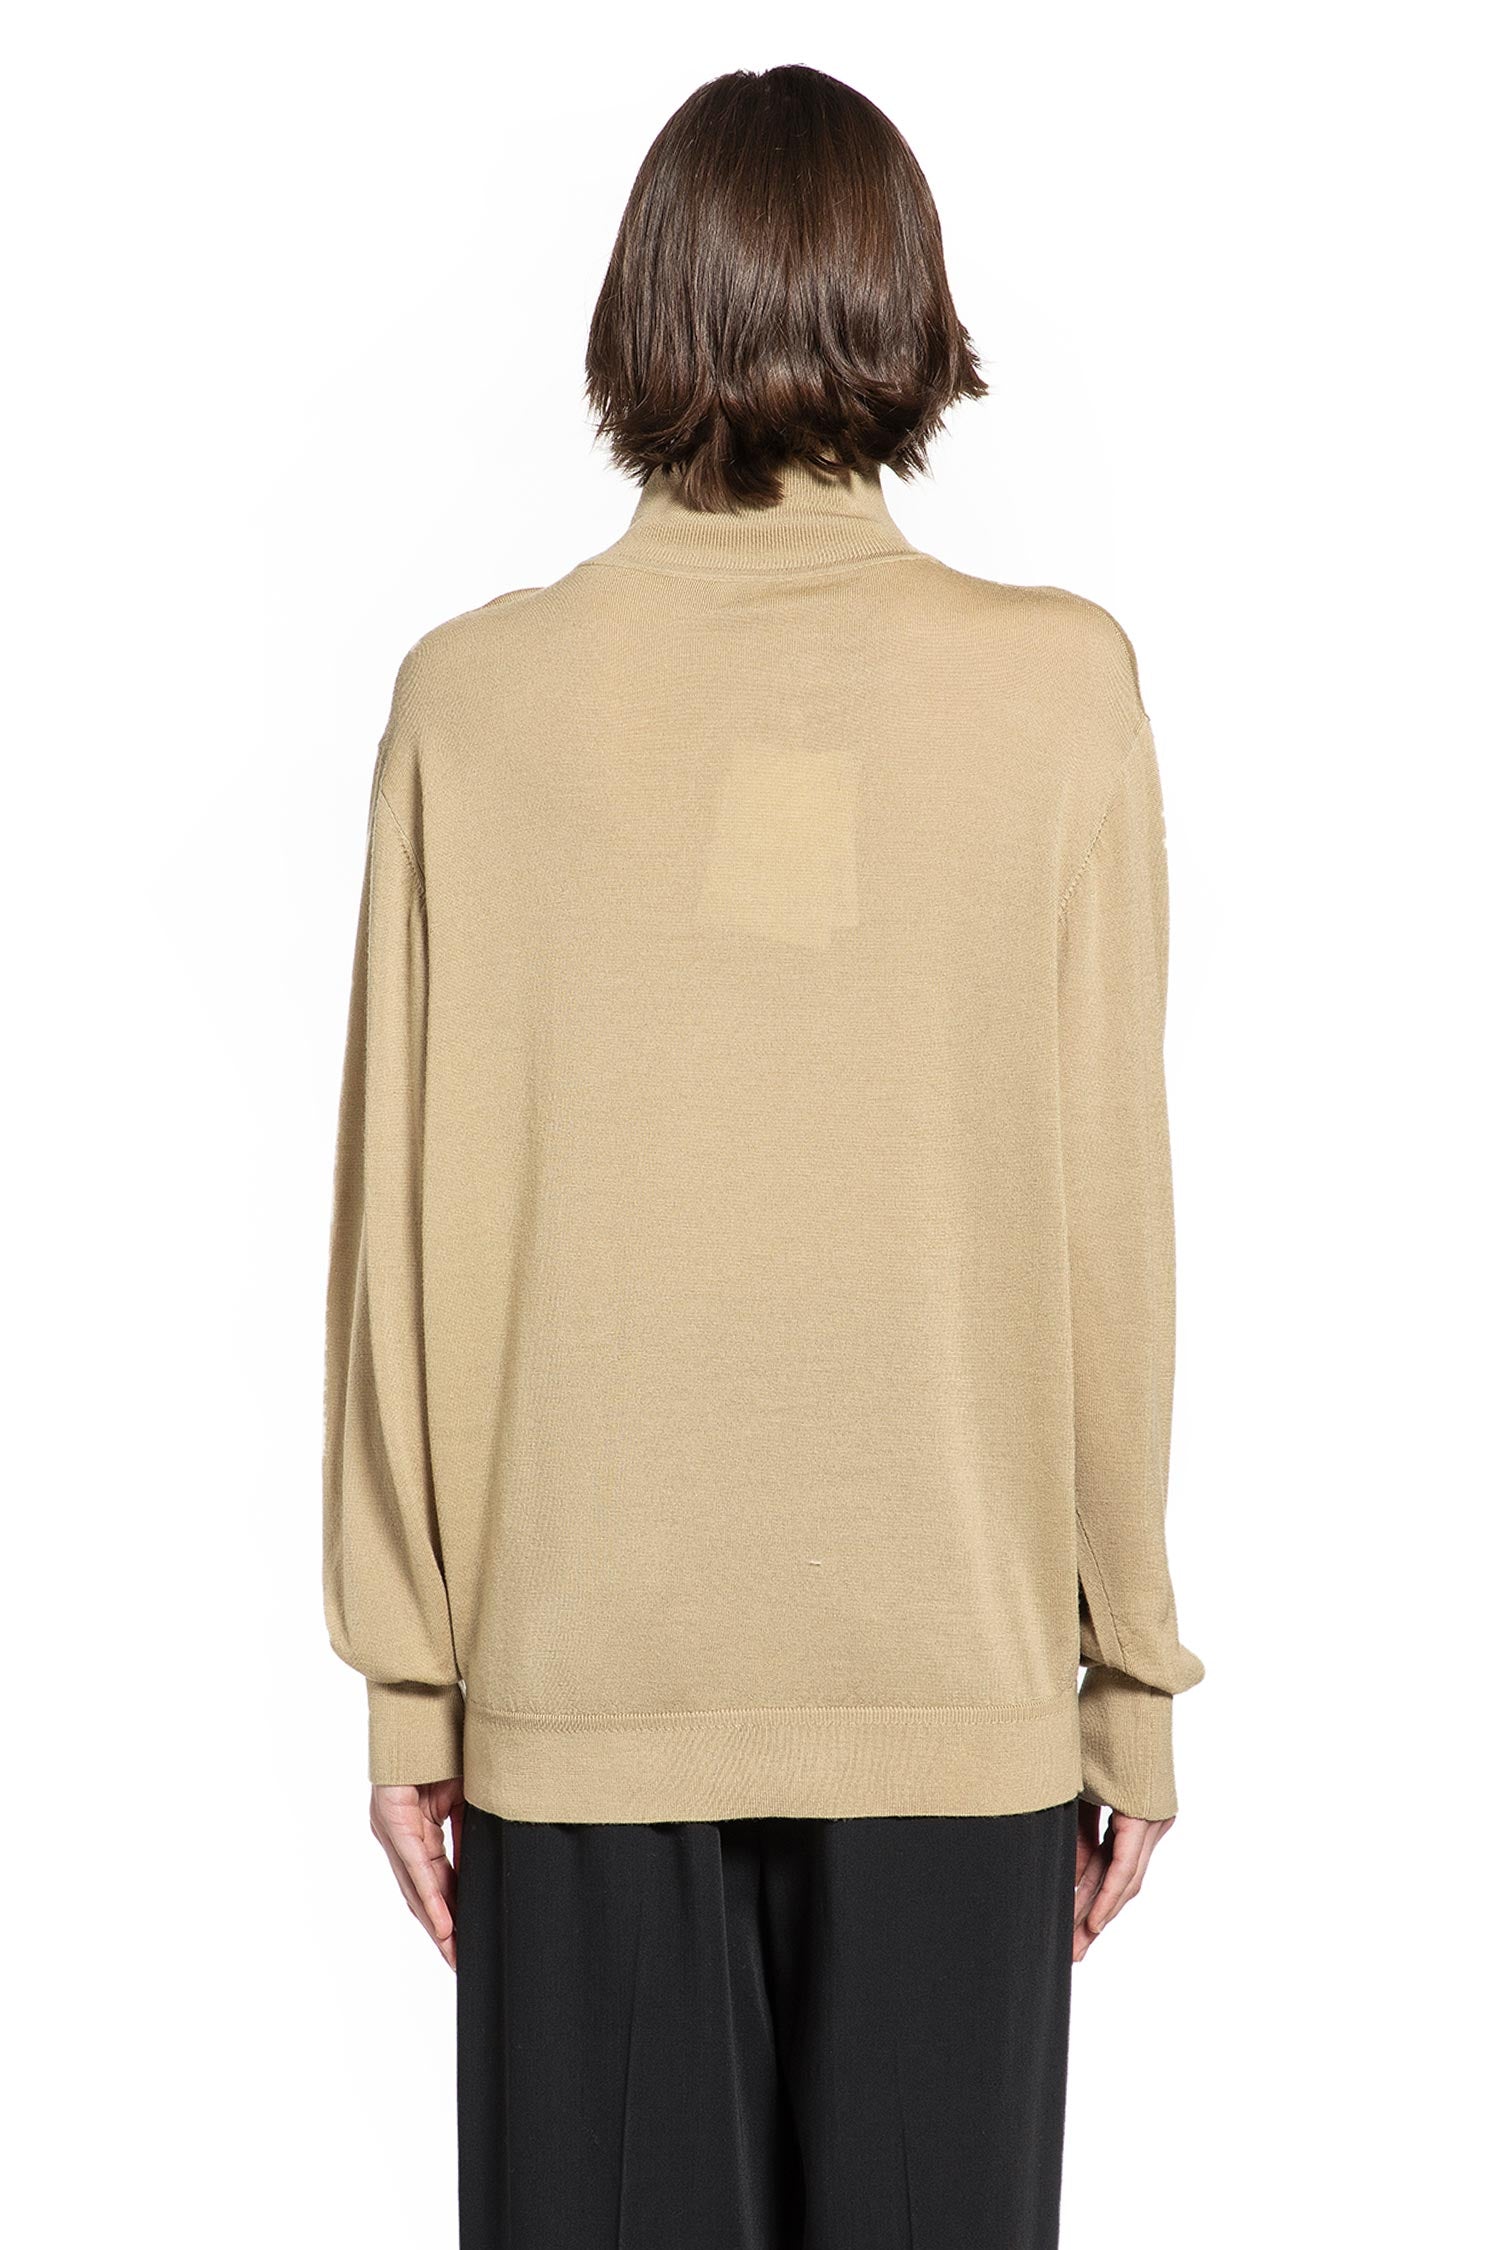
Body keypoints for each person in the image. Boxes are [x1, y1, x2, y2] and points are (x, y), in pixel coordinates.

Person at [322, 61, 1203, 2250]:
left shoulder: (472, 706)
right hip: (956, 1691)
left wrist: (410, 1677)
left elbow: (392, 1236)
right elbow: (1113, 1225)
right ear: (912, 305)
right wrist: (1130, 1678)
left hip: (577, 1689)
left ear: (647, 305)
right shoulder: (1060, 695)